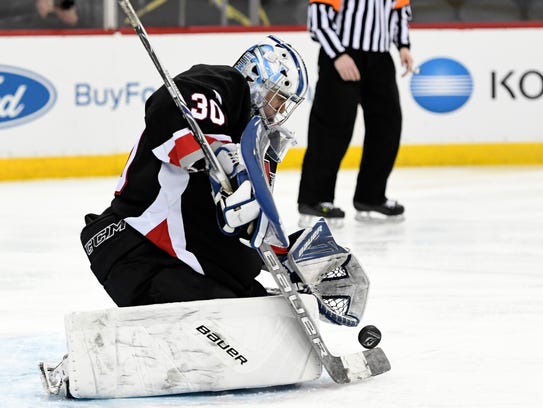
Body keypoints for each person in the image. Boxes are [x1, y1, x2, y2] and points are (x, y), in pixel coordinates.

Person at [80, 36, 309, 308]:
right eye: (278, 99)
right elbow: (174, 100)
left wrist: (291, 257)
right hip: (140, 248)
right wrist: (220, 155)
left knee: (259, 310)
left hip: (181, 262)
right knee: (231, 317)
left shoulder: (249, 143)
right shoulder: (227, 85)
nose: (278, 113)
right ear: (257, 80)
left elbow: (234, 229)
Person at [297, 0, 414, 226]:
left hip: (380, 58)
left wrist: (403, 46)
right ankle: (314, 199)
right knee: (331, 128)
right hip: (341, 55)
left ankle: (371, 197)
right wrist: (338, 55)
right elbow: (319, 20)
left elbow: (399, 12)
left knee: (387, 127)